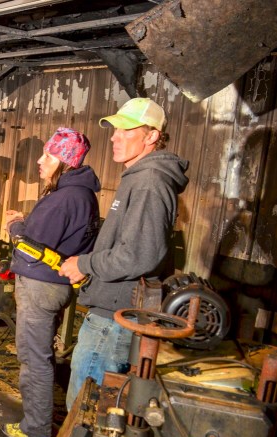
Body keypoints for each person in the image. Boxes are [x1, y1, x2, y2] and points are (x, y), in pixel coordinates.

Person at [59, 98, 189, 410]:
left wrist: (85, 263)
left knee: (86, 408)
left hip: (113, 320)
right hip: (112, 313)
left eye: (126, 130)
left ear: (151, 136)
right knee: (94, 404)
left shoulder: (149, 182)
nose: (115, 137)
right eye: (115, 130)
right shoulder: (139, 178)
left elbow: (139, 255)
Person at [2, 128, 101, 437]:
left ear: (65, 162)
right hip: (54, 286)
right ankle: (40, 423)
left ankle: (36, 429)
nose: (39, 161)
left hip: (40, 287)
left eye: (48, 156)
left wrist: (15, 226)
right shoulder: (79, 194)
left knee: (34, 359)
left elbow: (30, 246)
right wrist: (28, 222)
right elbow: (54, 236)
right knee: (40, 356)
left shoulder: (64, 198)